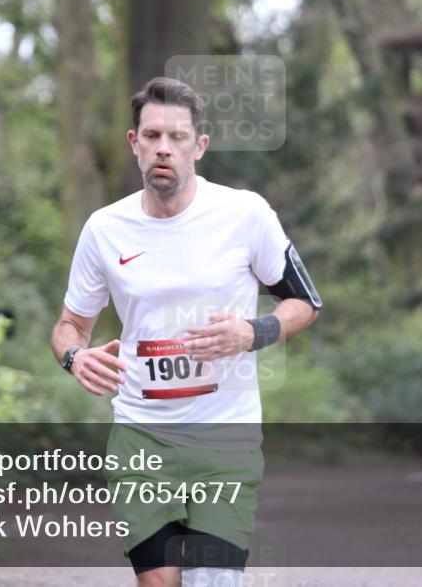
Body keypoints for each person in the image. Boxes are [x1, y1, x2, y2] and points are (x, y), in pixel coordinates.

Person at [51, 76, 321, 587]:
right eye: (152, 136)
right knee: (158, 582)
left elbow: (306, 302)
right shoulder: (104, 229)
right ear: (134, 143)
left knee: (212, 581)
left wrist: (253, 332)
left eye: (177, 137)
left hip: (225, 440)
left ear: (199, 146)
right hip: (141, 436)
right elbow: (69, 326)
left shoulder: (245, 214)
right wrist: (75, 356)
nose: (164, 148)